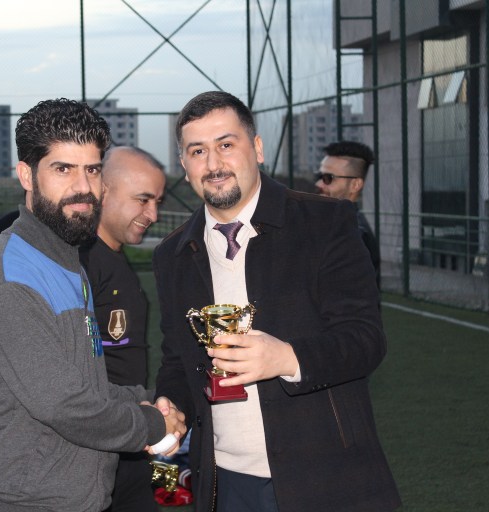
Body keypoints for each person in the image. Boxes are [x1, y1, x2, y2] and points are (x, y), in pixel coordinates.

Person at [153, 91, 401, 512]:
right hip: (225, 483)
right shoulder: (172, 254)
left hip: (324, 477)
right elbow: (177, 360)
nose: (213, 164)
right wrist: (170, 406)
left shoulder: (325, 222)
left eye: (226, 144)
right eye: (198, 151)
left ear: (257, 148)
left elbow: (365, 339)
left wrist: (287, 358)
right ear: (184, 164)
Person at [0, 98, 186, 512]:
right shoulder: (13, 278)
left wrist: (145, 399)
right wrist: (152, 423)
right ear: (26, 175)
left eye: (92, 170)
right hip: (24, 503)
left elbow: (82, 385)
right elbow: (65, 406)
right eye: (63, 169)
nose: (83, 187)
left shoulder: (64, 259)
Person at [79, 145, 166, 512]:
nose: (153, 214)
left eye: (157, 202)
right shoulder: (80, 262)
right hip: (96, 447)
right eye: (143, 200)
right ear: (103, 191)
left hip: (129, 440)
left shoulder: (111, 255)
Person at [315, 141, 381, 288]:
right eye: (319, 176)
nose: (319, 184)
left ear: (355, 185)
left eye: (328, 178)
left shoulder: (352, 236)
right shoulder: (335, 226)